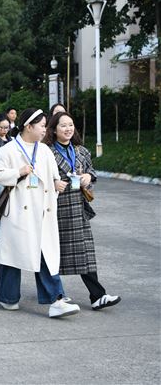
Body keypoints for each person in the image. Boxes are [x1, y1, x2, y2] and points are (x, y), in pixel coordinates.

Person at [0, 108, 81, 318]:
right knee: (14, 256)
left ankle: (56, 299)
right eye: (41, 126)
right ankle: (7, 296)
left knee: (44, 254)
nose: (44, 129)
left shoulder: (45, 150)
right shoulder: (9, 150)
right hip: (20, 212)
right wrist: (17, 172)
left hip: (43, 212)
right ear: (28, 126)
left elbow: (53, 176)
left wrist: (56, 183)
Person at [44, 111, 121, 310]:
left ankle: (97, 296)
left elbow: (92, 172)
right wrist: (53, 182)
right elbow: (38, 178)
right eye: (63, 125)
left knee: (84, 252)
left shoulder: (81, 151)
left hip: (78, 207)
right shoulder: (46, 152)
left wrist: (88, 176)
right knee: (53, 254)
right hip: (56, 209)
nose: (68, 129)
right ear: (53, 130)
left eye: (71, 125)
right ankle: (55, 294)